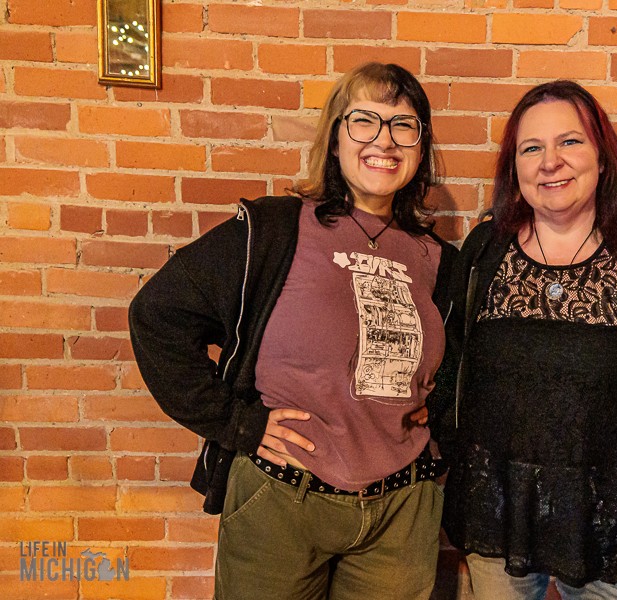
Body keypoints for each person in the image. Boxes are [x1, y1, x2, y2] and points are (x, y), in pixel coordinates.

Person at [129, 62, 456, 600]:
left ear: (420, 148)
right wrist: (236, 423)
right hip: (281, 503)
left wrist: (438, 408)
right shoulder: (275, 229)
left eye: (404, 125)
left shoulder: (438, 258)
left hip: (399, 516)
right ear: (335, 137)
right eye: (364, 120)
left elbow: (466, 360)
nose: (384, 140)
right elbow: (157, 316)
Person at [434, 80, 617, 600]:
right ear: (514, 168)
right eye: (531, 148)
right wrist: (444, 451)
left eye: (569, 141)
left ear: (603, 157)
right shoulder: (484, 253)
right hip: (498, 514)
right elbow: (452, 363)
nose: (551, 162)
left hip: (613, 527)